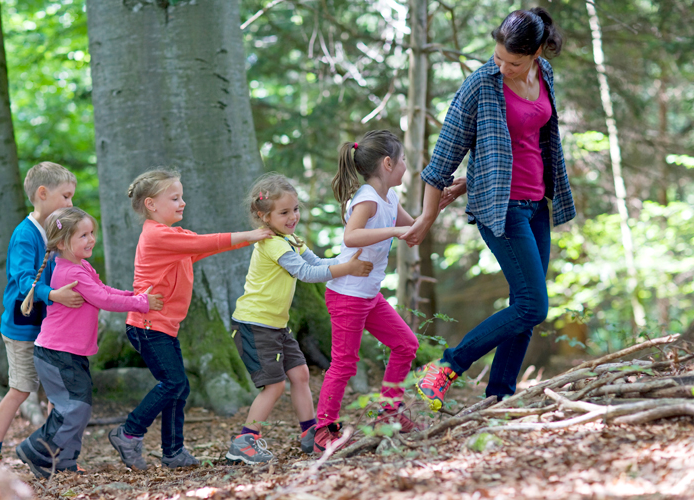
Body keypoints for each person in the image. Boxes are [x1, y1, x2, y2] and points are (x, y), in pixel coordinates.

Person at [401, 8, 576, 409]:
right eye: (498, 57)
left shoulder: (545, 74)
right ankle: (445, 367)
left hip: (537, 204)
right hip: (502, 208)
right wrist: (427, 216)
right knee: (534, 304)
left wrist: (476, 174)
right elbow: (442, 159)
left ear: (535, 53)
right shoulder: (481, 84)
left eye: (513, 62)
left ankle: (500, 397)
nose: (503, 67)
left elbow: (529, 139)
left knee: (525, 306)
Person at [108, 169, 274, 470]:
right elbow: (207, 243)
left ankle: (173, 452)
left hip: (162, 327)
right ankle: (129, 433)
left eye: (181, 196)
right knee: (173, 382)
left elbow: (203, 246)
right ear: (151, 204)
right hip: (146, 326)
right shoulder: (157, 235)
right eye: (174, 198)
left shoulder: (174, 237)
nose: (182, 202)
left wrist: (248, 241)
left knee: (179, 386)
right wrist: (252, 235)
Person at [224, 174, 374, 464]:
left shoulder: (290, 239)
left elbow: (316, 263)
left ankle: (310, 433)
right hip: (254, 325)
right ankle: (245, 441)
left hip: (276, 325)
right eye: (284, 212)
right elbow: (306, 274)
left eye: (295, 209)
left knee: (301, 374)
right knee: (275, 385)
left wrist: (347, 260)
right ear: (263, 216)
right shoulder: (273, 245)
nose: (293, 217)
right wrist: (348, 269)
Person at [15, 207, 163, 478]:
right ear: (61, 243)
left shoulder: (81, 266)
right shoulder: (70, 272)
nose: (91, 239)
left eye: (91, 233)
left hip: (68, 353)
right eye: (82, 235)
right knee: (75, 408)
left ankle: (64, 462)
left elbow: (104, 290)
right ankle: (36, 449)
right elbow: (104, 300)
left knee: (78, 409)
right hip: (56, 353)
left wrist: (134, 295)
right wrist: (141, 303)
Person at [313, 130, 421, 453]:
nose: (405, 165)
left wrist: (441, 201)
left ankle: (389, 413)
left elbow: (413, 231)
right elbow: (351, 236)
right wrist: (395, 230)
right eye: (403, 160)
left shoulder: (389, 198)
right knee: (344, 364)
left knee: (406, 344)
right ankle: (323, 430)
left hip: (368, 295)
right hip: (347, 294)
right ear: (388, 163)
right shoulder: (367, 198)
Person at [0, 162, 84, 470]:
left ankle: (54, 451)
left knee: (58, 390)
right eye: (66, 196)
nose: (70, 204)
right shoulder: (25, 235)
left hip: (52, 327)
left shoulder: (58, 229)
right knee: (22, 389)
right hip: (23, 327)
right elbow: (24, 279)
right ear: (42, 193)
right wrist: (53, 295)